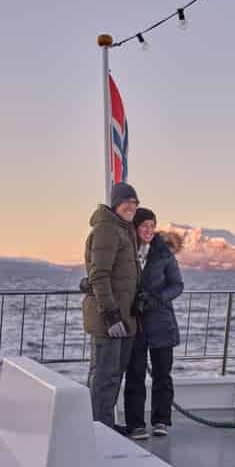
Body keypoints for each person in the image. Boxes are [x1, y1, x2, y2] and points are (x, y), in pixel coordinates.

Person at [82, 182, 141, 432]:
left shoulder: (123, 230)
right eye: (126, 202)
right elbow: (99, 275)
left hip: (125, 318)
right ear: (116, 204)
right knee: (104, 376)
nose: (131, 206)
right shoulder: (107, 230)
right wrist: (111, 315)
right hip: (109, 319)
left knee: (114, 375)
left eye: (134, 203)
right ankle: (98, 429)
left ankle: (105, 424)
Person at [123, 207, 185, 439]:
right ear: (135, 228)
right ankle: (135, 424)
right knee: (135, 375)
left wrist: (157, 298)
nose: (149, 230)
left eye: (152, 225)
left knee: (162, 375)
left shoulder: (164, 254)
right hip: (135, 322)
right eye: (144, 226)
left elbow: (177, 285)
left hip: (161, 322)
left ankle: (161, 420)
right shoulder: (126, 250)